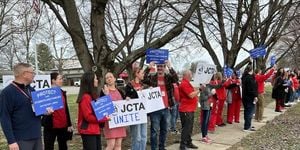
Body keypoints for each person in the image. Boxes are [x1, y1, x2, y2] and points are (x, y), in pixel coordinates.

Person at [0, 63, 43, 150]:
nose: (34, 75)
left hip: (36, 136)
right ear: (24, 74)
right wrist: (11, 141)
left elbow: (35, 110)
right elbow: (5, 118)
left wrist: (45, 112)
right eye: (32, 72)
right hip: (21, 139)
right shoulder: (7, 92)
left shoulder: (31, 89)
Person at [143, 60, 178, 150]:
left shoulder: (168, 77)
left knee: (164, 130)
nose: (160, 68)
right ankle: (154, 148)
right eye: (158, 66)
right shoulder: (152, 78)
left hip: (166, 108)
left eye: (162, 66)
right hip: (155, 109)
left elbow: (176, 79)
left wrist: (170, 67)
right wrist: (148, 67)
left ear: (164, 67)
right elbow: (143, 78)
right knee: (154, 130)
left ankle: (161, 147)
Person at [77, 71, 108, 150]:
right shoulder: (86, 97)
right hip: (88, 131)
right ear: (90, 81)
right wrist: (104, 118)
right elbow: (88, 117)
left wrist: (106, 96)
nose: (97, 80)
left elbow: (101, 108)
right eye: (95, 78)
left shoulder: (92, 96)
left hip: (95, 130)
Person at [42, 72, 73, 150]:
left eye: (62, 79)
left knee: (63, 146)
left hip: (63, 125)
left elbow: (66, 109)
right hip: (50, 125)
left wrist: (69, 124)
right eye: (60, 79)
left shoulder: (62, 92)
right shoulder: (45, 93)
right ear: (53, 80)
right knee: (49, 146)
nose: (62, 80)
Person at [101, 72, 127, 150]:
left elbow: (123, 105)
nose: (109, 79)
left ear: (115, 79)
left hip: (119, 122)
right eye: (107, 78)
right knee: (111, 145)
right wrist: (106, 95)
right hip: (110, 122)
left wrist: (127, 100)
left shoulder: (120, 91)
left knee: (118, 145)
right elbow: (102, 107)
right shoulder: (103, 92)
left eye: (110, 77)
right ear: (105, 80)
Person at [124, 67, 147, 150]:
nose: (143, 75)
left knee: (144, 136)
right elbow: (126, 97)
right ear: (137, 74)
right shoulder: (129, 85)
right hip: (134, 114)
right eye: (142, 73)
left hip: (143, 113)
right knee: (137, 136)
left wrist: (149, 91)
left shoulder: (143, 85)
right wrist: (129, 97)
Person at [178, 70, 198, 150]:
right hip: (186, 109)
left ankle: (188, 142)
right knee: (186, 128)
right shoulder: (184, 84)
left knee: (189, 127)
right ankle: (182, 145)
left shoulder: (187, 83)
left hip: (189, 109)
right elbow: (191, 95)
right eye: (190, 74)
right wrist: (199, 90)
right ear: (186, 75)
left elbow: (192, 92)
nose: (191, 76)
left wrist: (198, 89)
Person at [241, 64, 258, 131]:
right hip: (249, 97)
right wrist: (255, 96)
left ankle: (248, 125)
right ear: (251, 70)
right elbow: (251, 89)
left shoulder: (244, 77)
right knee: (249, 112)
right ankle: (247, 127)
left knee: (247, 111)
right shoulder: (250, 78)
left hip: (245, 97)